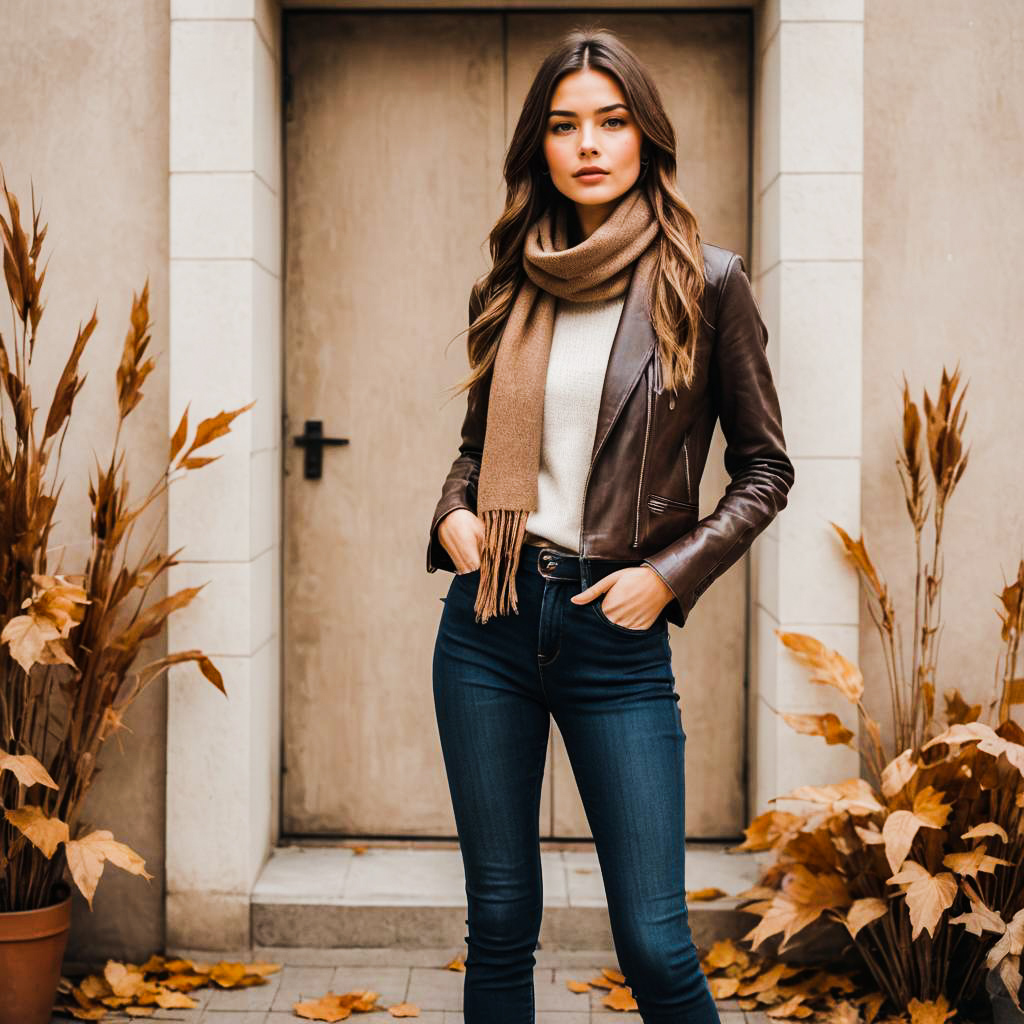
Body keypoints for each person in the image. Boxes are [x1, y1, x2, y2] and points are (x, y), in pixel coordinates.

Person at [425, 25, 794, 1024]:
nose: (587, 143)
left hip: (612, 635)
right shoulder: (507, 283)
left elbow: (765, 468)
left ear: (644, 138)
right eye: (563, 125)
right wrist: (454, 512)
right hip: (487, 624)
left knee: (654, 940)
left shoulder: (706, 284)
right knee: (498, 922)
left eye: (610, 121)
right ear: (538, 147)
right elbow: (473, 448)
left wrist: (669, 574)